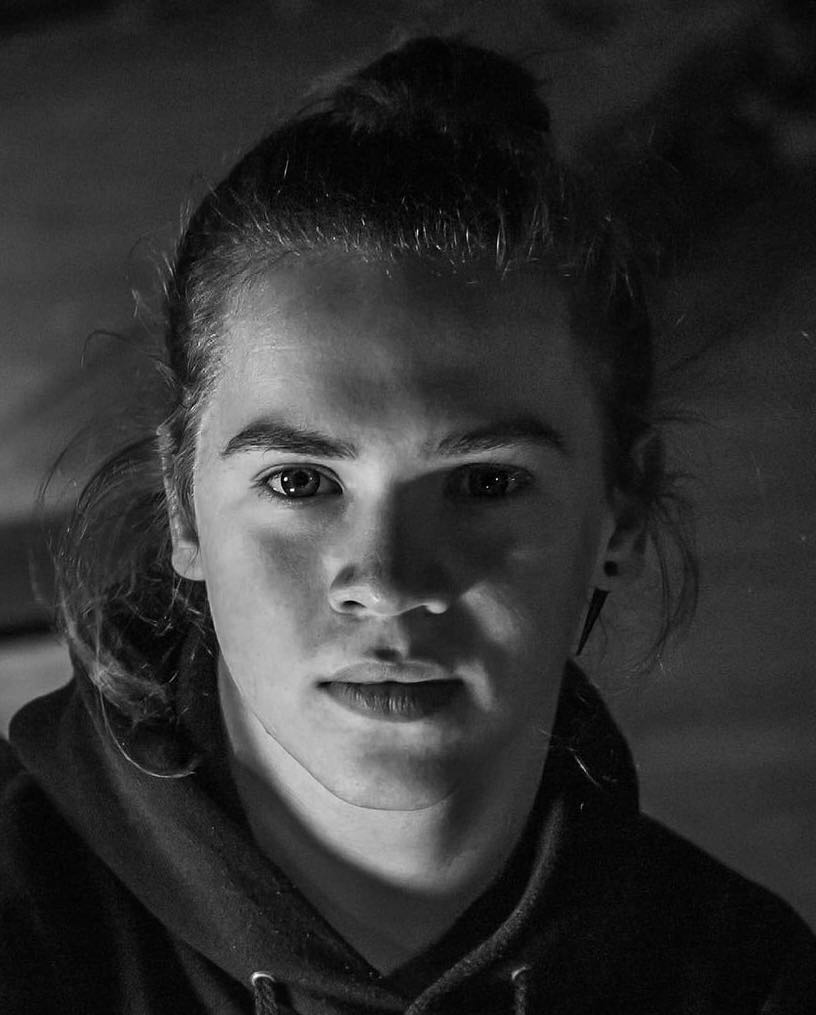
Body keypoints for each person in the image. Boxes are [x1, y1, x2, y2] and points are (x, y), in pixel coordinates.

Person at [1, 36, 814, 1015]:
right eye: (300, 481)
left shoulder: (746, 981)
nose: (387, 582)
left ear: (622, 510)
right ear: (183, 502)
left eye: (484, 482)